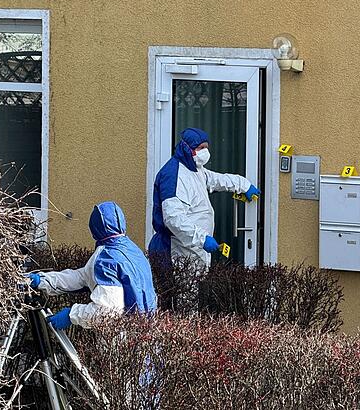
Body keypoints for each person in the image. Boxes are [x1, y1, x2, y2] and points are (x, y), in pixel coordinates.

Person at [27, 201, 157, 329]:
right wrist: (42, 280)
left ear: (94, 229)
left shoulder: (106, 259)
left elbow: (106, 312)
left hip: (123, 334)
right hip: (147, 330)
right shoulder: (133, 251)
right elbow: (82, 277)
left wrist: (72, 315)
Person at [148, 127, 260, 269]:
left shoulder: (195, 169)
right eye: (201, 148)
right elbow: (173, 218)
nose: (205, 152)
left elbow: (215, 179)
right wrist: (202, 238)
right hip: (176, 250)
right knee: (180, 284)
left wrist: (243, 185)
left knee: (194, 283)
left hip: (193, 248)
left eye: (206, 147)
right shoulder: (173, 176)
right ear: (187, 148)